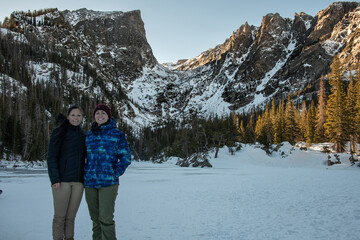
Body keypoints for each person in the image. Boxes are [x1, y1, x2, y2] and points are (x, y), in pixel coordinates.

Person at [85, 103, 131, 240]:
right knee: (95, 220)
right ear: (94, 116)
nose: (100, 115)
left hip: (108, 183)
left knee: (105, 219)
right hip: (90, 183)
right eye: (97, 113)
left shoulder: (117, 134)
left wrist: (115, 172)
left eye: (103, 113)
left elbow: (126, 157)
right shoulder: (89, 135)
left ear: (108, 116)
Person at [47, 106, 86, 240]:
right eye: (73, 115)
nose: (76, 118)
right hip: (62, 182)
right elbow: (51, 157)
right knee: (59, 217)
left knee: (71, 218)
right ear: (68, 116)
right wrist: (54, 179)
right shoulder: (59, 132)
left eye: (79, 115)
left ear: (82, 118)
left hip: (78, 183)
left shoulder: (83, 134)